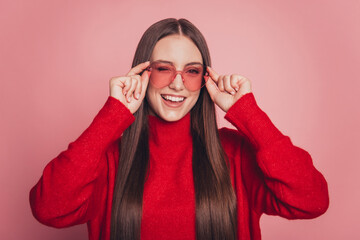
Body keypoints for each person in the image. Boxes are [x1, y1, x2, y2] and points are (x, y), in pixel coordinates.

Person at [29, 18, 329, 240]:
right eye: (163, 69)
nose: (177, 82)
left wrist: (247, 112)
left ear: (204, 80)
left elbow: (312, 200)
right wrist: (112, 114)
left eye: (192, 71)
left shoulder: (235, 154)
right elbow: (47, 208)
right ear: (142, 74)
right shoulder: (109, 160)